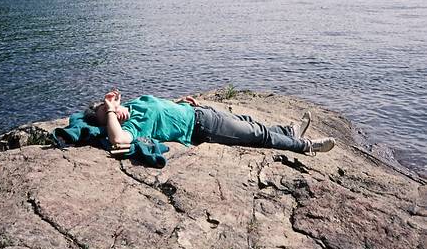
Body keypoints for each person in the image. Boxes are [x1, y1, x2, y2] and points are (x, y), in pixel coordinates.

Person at [83, 89, 335, 157]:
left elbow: (161, 109)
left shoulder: (137, 103)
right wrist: (113, 117)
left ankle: (288, 131)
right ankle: (304, 146)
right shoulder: (130, 127)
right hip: (202, 128)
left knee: (249, 122)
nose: (113, 111)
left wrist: (178, 101)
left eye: (111, 107)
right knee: (258, 135)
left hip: (200, 112)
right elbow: (117, 140)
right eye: (108, 114)